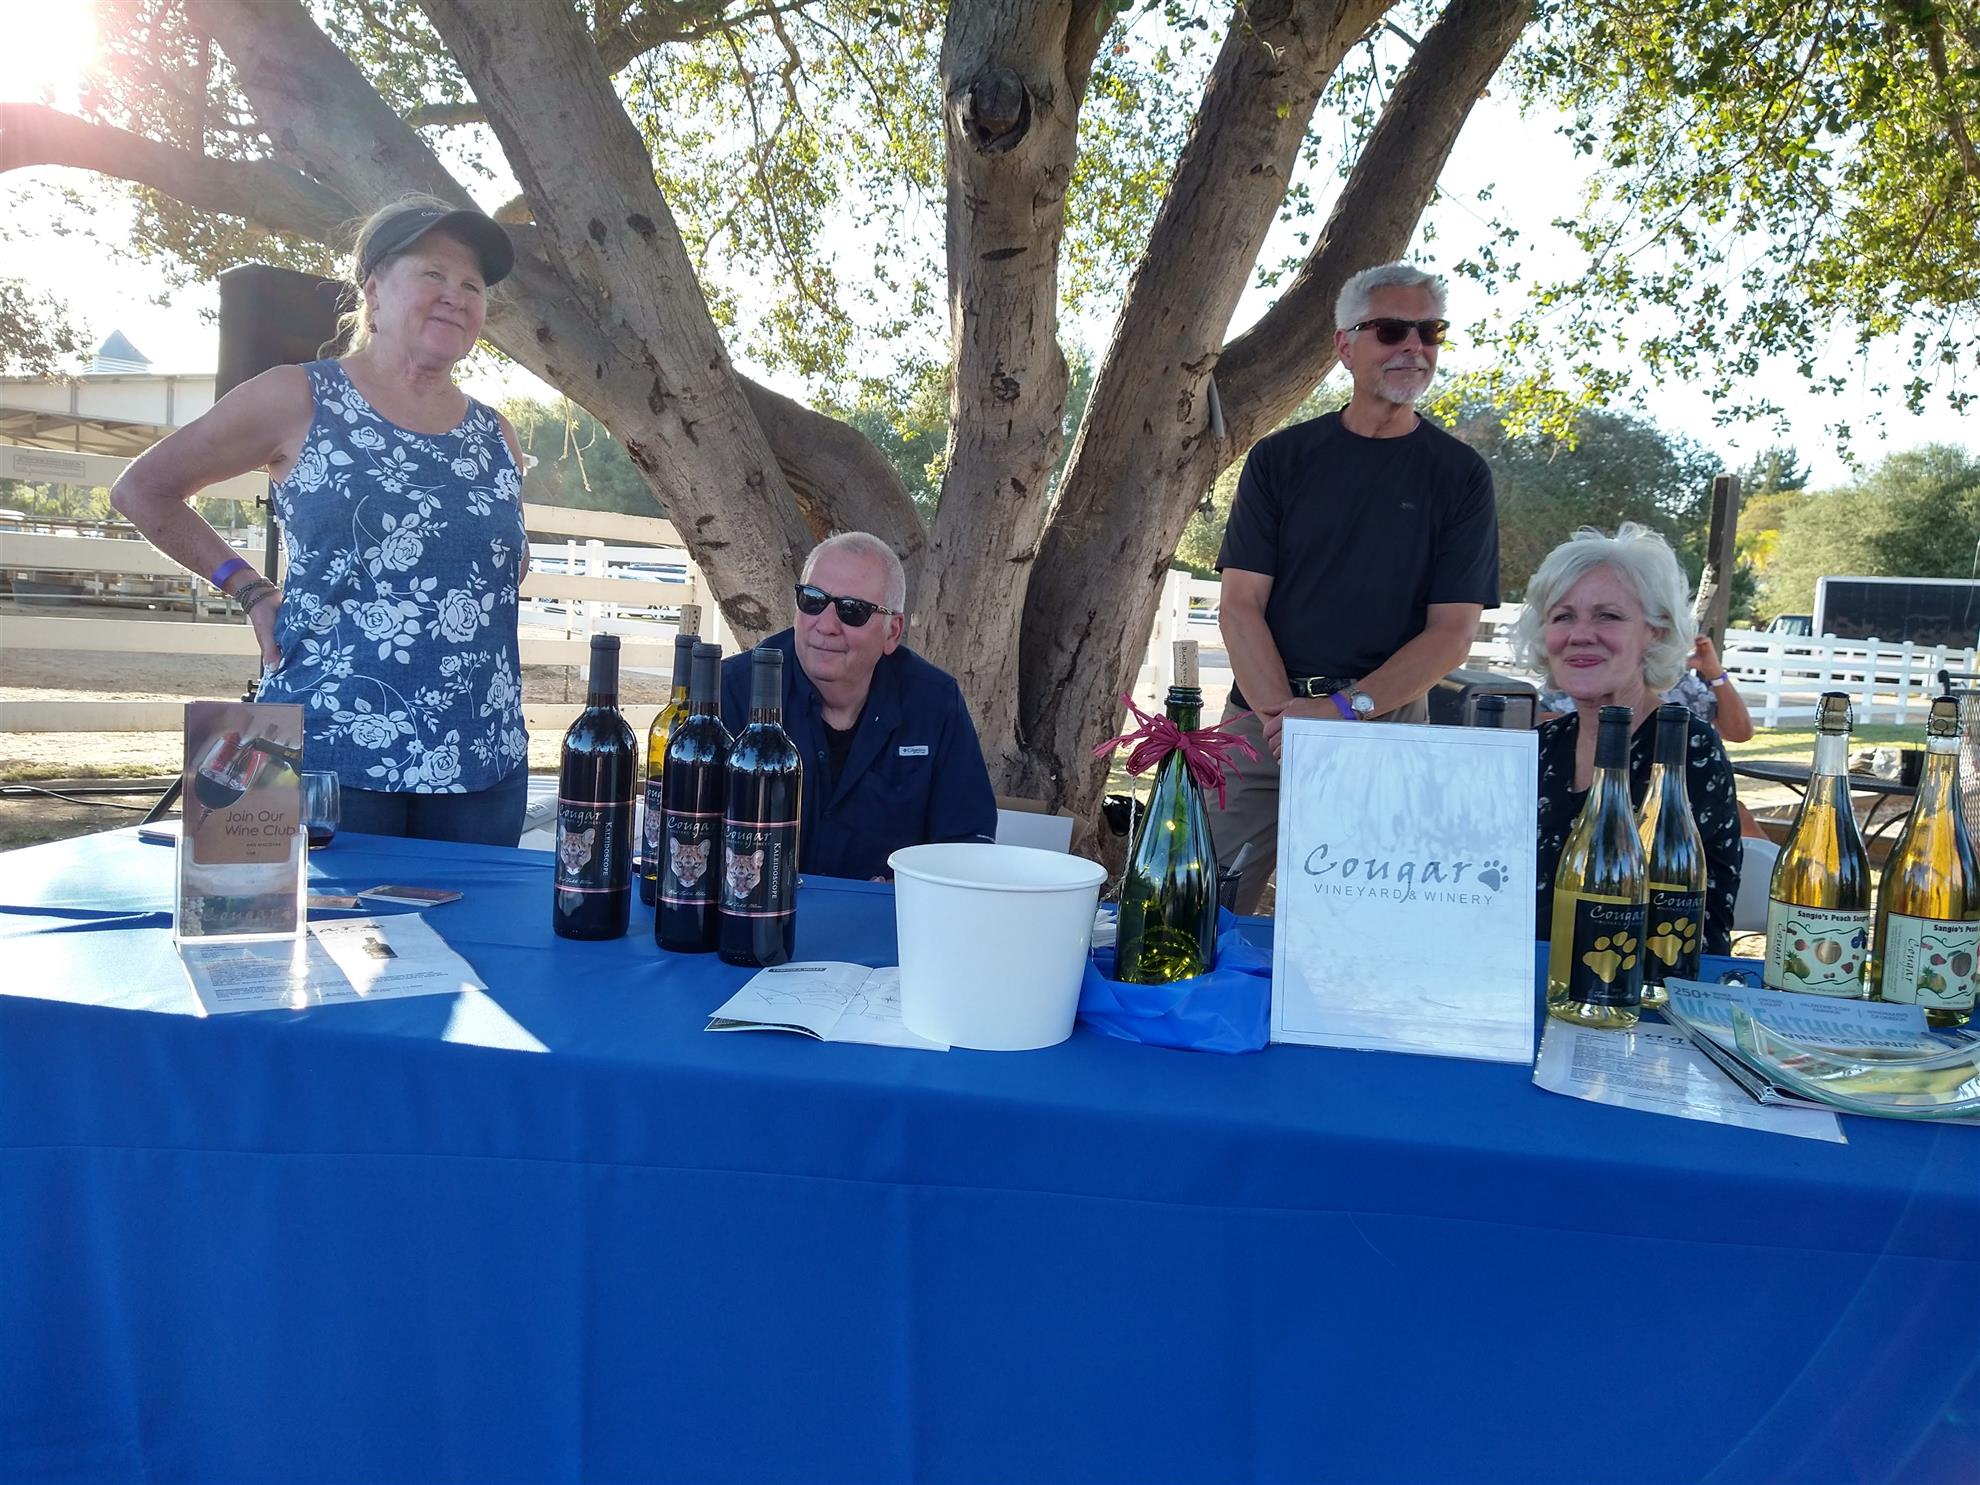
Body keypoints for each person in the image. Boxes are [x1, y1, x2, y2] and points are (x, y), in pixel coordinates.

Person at [111, 194, 532, 844]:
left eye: (472, 285)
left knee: (476, 919)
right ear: (374, 291)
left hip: (483, 759)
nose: (456, 295)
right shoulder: (299, 396)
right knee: (313, 916)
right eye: (433, 274)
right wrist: (249, 588)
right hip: (328, 755)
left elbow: (501, 567)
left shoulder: (496, 434)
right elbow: (143, 490)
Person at [1212, 261, 1500, 912]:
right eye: (1392, 329)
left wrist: (1344, 711)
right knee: (1198, 909)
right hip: (1262, 722)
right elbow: (1240, 606)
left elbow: (1451, 635)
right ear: (1344, 345)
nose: (1414, 347)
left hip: (1385, 727)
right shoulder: (1279, 460)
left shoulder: (1460, 477)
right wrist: (1286, 721)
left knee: (1363, 926)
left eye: (1430, 332)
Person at [1515, 523, 1744, 953]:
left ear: (1655, 632)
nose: (1580, 634)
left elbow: (1679, 926)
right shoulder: (1538, 748)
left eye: (1608, 615)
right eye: (1563, 616)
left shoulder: (1685, 750)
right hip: (1520, 984)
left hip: (1639, 988)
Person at [720, 531, 997, 879]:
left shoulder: (935, 703)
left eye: (852, 610)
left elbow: (966, 845)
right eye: (813, 600)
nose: (826, 625)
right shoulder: (732, 692)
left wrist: (904, 884)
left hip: (887, 911)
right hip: (753, 907)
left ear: (892, 632)